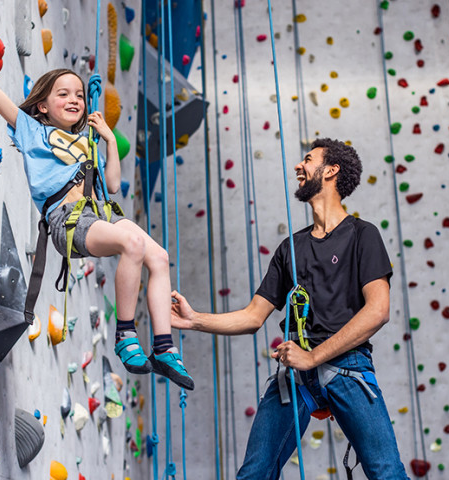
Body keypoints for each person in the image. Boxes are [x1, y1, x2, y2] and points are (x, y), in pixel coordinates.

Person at [0, 5, 193, 390]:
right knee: (132, 244)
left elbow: (113, 186)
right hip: (68, 222)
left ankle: (163, 347)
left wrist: (107, 140)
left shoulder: (86, 141)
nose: (75, 99)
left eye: (78, 94)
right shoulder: (32, 130)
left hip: (100, 214)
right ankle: (126, 335)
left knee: (158, 257)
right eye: (63, 94)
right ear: (43, 104)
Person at [171, 138, 408, 478]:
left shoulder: (362, 235)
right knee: (253, 475)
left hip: (347, 367)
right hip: (296, 375)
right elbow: (253, 316)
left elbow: (378, 311)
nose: (299, 165)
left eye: (308, 160)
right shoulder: (291, 249)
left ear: (331, 171)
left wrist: (313, 357)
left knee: (388, 474)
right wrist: (194, 320)